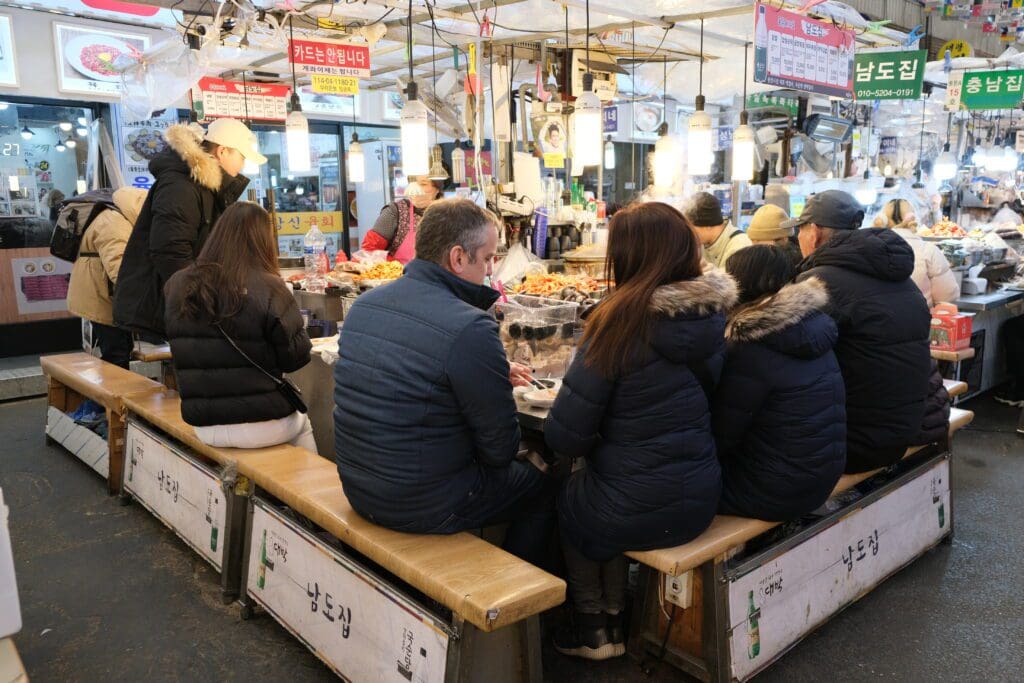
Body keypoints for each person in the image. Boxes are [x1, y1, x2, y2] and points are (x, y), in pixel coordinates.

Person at [544, 202, 734, 660]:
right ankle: (617, 614)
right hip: (700, 499)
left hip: (634, 507)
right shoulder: (711, 318)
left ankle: (594, 626)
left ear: (631, 257)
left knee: (571, 494)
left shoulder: (616, 324)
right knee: (606, 486)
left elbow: (565, 437)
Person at [334, 199, 554, 565]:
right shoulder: (470, 327)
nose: (490, 269)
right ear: (457, 258)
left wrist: (489, 375)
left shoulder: (365, 304)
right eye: (486, 259)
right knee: (544, 486)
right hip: (422, 505)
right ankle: (512, 597)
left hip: (360, 488)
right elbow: (500, 451)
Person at [787, 190, 931, 473]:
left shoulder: (817, 282)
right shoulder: (900, 277)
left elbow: (792, 360)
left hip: (852, 443)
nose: (797, 239)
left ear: (814, 233)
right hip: (905, 429)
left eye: (799, 230)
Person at [164, 202, 315, 451]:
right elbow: (295, 360)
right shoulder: (270, 287)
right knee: (303, 426)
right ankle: (312, 487)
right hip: (262, 422)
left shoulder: (178, 284)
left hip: (204, 424)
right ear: (262, 241)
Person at [714, 245, 846, 520]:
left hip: (775, 491)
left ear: (740, 284)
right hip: (821, 475)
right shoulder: (811, 323)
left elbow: (720, 435)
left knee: (671, 494)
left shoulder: (750, 345)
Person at [114, 118, 264, 340]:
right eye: (241, 157)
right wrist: (200, 302)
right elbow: (170, 252)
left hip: (181, 301)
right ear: (222, 152)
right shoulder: (181, 185)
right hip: (166, 303)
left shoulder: (204, 186)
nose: (242, 166)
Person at [67, 188, 148, 369]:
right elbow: (119, 269)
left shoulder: (115, 216)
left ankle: (118, 392)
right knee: (117, 353)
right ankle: (110, 396)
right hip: (100, 296)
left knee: (121, 349)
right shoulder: (114, 222)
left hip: (101, 293)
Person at [873, 198, 960, 306]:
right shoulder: (928, 250)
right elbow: (947, 296)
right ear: (914, 218)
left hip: (876, 320)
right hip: (919, 319)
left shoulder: (870, 248)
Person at [360, 176, 444, 264]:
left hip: (436, 276)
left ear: (437, 189)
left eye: (423, 184)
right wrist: (395, 266)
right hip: (399, 276)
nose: (417, 189)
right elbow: (369, 249)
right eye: (414, 183)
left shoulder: (446, 214)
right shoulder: (395, 211)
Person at [685, 191, 752, 269]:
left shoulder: (740, 245)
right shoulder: (702, 244)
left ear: (708, 225)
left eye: (691, 228)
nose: (689, 234)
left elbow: (733, 280)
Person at [746, 203, 803, 267]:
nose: (752, 244)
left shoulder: (774, 267)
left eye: (756, 240)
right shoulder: (801, 258)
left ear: (783, 239)